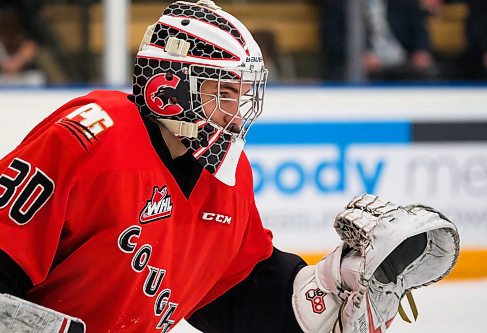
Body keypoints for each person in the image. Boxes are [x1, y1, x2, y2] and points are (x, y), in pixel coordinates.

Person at [0, 1, 459, 332]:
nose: (237, 109)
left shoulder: (228, 176)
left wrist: (329, 287)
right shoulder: (92, 134)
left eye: (242, 93)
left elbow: (236, 291)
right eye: (222, 91)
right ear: (168, 86)